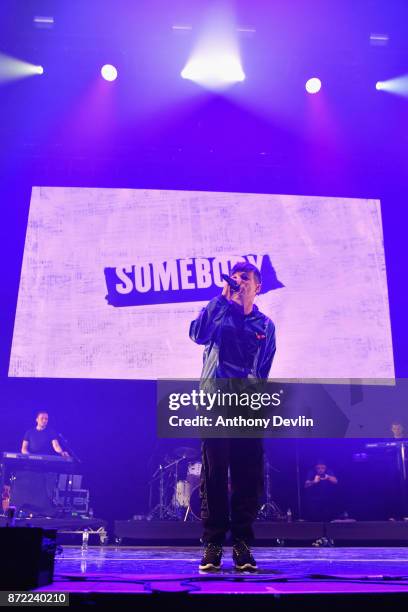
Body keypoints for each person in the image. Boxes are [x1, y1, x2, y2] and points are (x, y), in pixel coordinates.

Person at [189, 261, 276, 571]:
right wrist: (221, 301)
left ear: (257, 286)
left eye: (245, 278)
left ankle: (241, 543)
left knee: (247, 475)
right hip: (214, 402)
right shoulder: (218, 314)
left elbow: (263, 371)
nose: (238, 282)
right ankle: (212, 543)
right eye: (234, 278)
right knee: (213, 474)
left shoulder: (265, 325)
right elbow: (197, 334)